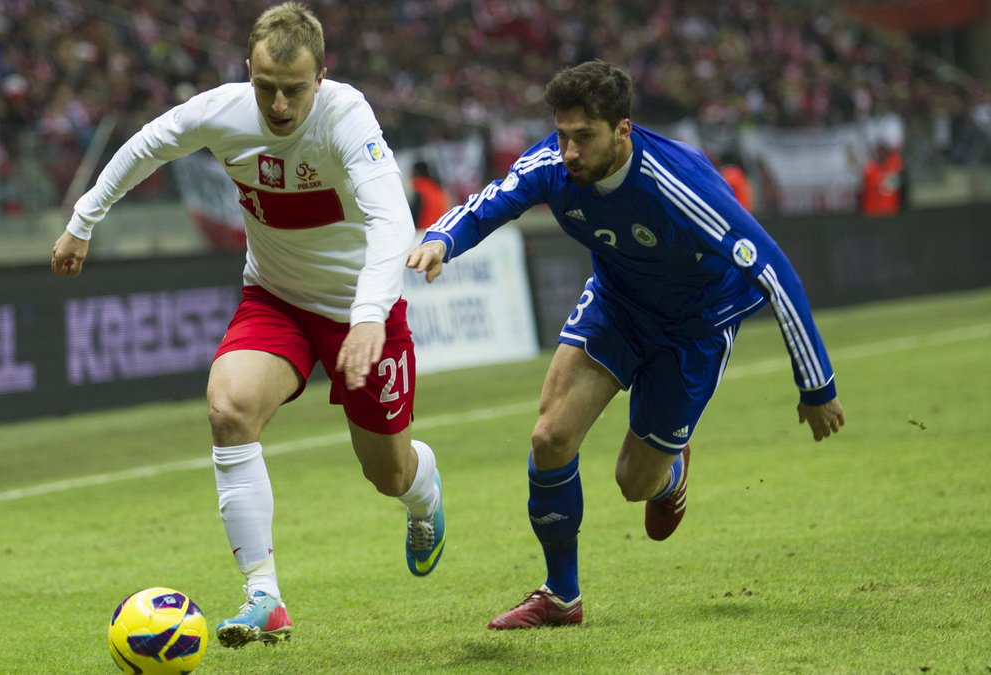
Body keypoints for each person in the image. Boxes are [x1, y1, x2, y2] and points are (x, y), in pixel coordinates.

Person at [50, 2, 445, 649]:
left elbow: (392, 222)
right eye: (266, 87)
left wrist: (370, 315)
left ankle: (424, 496)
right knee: (229, 408)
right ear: (248, 72)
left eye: (294, 89)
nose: (280, 105)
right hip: (276, 299)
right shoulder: (225, 110)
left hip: (359, 310)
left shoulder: (347, 118)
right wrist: (83, 219)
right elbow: (148, 144)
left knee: (388, 473)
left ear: (322, 76)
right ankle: (265, 596)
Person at [407, 60, 844, 630]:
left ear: (622, 131)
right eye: (562, 134)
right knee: (550, 436)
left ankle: (670, 476)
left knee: (633, 483)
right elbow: (495, 199)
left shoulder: (680, 185)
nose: (567, 151)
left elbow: (776, 272)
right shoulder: (555, 164)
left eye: (582, 137)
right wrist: (443, 237)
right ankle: (562, 597)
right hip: (617, 304)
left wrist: (817, 386)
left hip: (694, 326)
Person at [859, 143, 903, 216]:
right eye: (879, 153)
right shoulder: (869, 170)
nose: (881, 155)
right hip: (872, 210)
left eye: (883, 153)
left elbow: (896, 189)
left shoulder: (893, 168)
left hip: (890, 209)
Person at [409, 160, 452, 230]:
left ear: (416, 172)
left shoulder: (420, 189)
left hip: (423, 232)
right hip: (439, 230)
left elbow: (414, 215)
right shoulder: (438, 189)